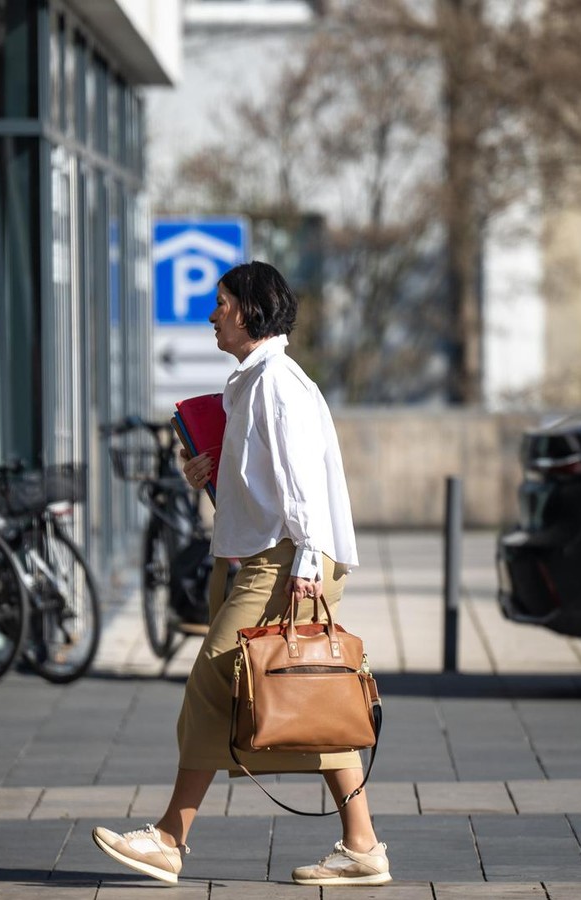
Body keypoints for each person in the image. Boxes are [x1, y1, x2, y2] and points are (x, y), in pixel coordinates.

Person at [91, 261, 389, 886]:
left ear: (251, 310)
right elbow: (264, 490)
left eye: (222, 302)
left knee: (219, 683)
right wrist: (211, 478)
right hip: (265, 556)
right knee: (303, 690)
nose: (212, 314)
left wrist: (307, 565)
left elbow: (303, 485)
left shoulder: (276, 383)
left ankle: (171, 838)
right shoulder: (253, 383)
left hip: (286, 560)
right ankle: (361, 846)